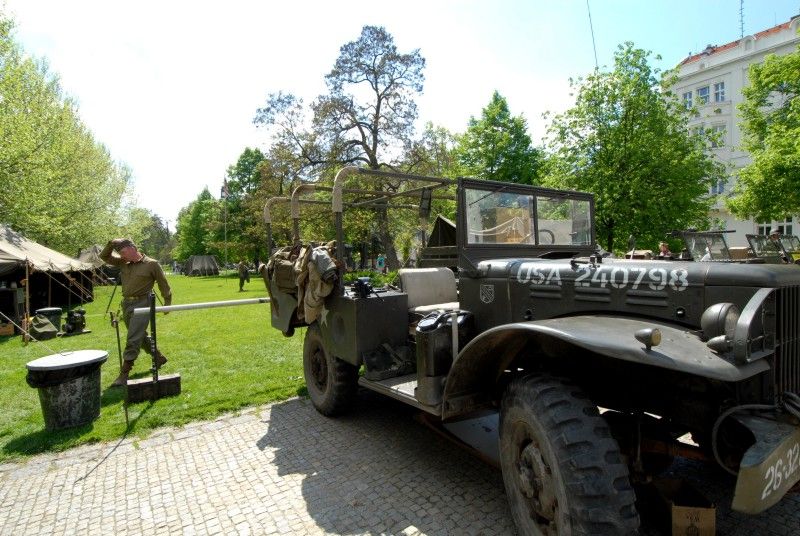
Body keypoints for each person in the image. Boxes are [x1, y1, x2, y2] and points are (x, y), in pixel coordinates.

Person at [101, 238, 172, 387]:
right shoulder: (122, 262)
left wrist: (167, 302)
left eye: (123, 252)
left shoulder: (152, 264)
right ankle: (158, 357)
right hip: (126, 304)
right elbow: (104, 257)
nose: (121, 255)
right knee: (140, 335)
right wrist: (110, 244)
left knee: (133, 338)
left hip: (143, 303)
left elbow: (163, 282)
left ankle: (124, 373)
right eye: (119, 253)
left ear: (133, 248)